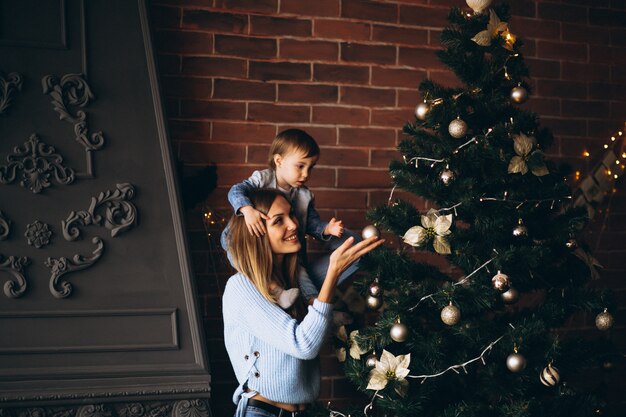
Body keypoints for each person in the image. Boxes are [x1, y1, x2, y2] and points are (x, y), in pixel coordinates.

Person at [223, 188, 384, 417]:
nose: (294, 224)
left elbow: (358, 252)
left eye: (292, 215)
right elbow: (304, 345)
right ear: (255, 232)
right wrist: (332, 275)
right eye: (279, 221)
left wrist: (326, 233)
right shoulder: (241, 287)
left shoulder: (295, 279)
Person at [221, 129, 362, 303]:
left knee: (301, 273)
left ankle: (313, 304)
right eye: (300, 166)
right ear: (279, 161)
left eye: (311, 168)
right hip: (241, 242)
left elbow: (311, 223)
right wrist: (247, 209)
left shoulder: (304, 195)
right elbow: (236, 190)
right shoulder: (262, 179)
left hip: (293, 254)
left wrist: (326, 228)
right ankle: (274, 290)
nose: (306, 174)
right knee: (238, 254)